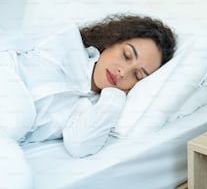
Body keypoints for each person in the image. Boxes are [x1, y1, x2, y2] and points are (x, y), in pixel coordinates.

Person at [0, 14, 176, 158]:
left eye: (137, 75)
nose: (123, 72)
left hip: (7, 137)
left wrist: (115, 97)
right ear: (113, 40)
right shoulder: (64, 37)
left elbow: (79, 145)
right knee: (19, 118)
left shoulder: (90, 109)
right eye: (126, 55)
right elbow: (6, 41)